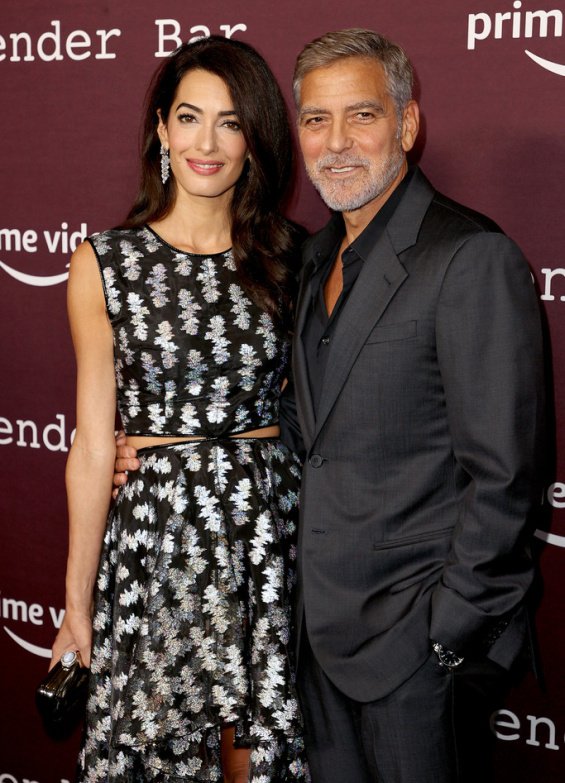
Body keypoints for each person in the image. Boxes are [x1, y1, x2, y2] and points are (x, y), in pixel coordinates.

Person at [115, 28, 545, 783]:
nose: (335, 142)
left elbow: (505, 476)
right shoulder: (310, 257)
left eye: (362, 116)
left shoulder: (467, 256)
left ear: (407, 125)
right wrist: (165, 450)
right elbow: (304, 430)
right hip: (312, 638)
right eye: (315, 120)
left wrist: (445, 635)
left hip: (416, 652)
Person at [50, 35, 309, 783]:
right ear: (161, 129)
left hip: (266, 534)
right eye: (189, 118)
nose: (207, 142)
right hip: (157, 541)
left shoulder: (295, 254)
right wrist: (76, 602)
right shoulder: (105, 262)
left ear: (255, 139)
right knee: (162, 750)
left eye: (230, 122)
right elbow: (94, 445)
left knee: (254, 751)